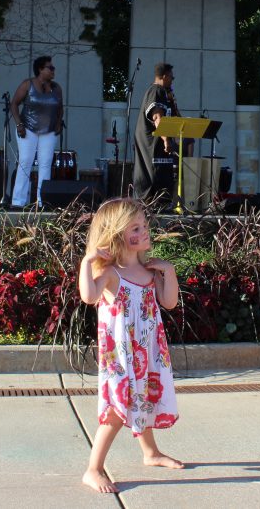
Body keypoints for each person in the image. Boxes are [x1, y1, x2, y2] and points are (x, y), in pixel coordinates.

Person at [78, 198, 183, 493]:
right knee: (117, 406)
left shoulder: (150, 272)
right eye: (135, 228)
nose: (145, 231)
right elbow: (89, 296)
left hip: (147, 350)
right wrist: (87, 262)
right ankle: (93, 469)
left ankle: (150, 453)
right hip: (121, 356)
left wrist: (169, 271)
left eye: (144, 225)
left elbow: (169, 302)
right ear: (116, 234)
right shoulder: (112, 274)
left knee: (144, 396)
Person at [10, 56, 63, 207]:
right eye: (50, 68)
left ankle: (42, 202)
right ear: (40, 69)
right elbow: (14, 104)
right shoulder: (28, 84)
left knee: (45, 164)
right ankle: (18, 202)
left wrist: (58, 123)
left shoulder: (57, 88)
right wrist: (19, 124)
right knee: (25, 161)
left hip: (49, 131)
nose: (53, 71)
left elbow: (60, 108)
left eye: (53, 68)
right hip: (28, 129)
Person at [133, 62, 178, 205]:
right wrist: (166, 140)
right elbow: (158, 117)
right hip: (153, 145)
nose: (172, 80)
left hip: (157, 145)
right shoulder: (156, 90)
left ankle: (159, 204)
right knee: (155, 176)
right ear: (164, 76)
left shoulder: (164, 93)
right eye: (171, 77)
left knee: (162, 176)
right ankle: (153, 205)